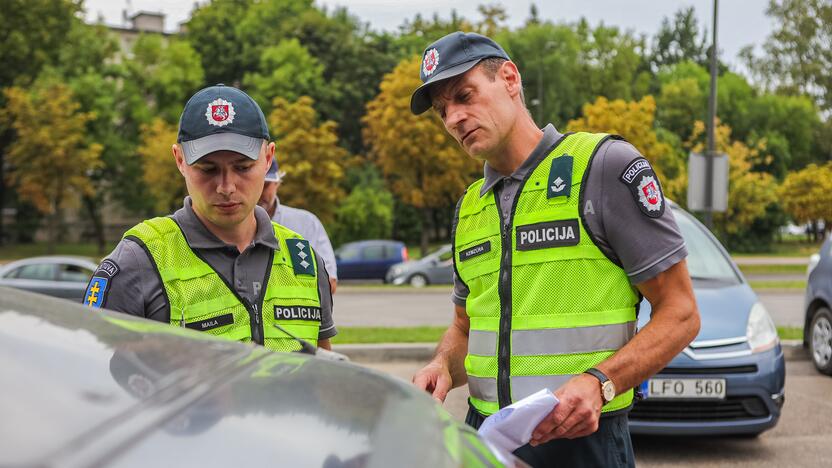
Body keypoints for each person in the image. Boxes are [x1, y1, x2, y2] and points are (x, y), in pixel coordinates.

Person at [409, 32, 700, 467]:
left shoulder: (602, 166)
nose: (454, 118)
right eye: (442, 110)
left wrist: (601, 382)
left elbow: (681, 313)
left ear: (509, 78)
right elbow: (465, 330)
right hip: (486, 442)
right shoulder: (470, 208)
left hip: (582, 445)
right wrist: (442, 367)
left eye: (464, 95)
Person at [83, 84, 336, 351]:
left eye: (243, 167)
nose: (226, 187)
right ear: (180, 160)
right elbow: (87, 376)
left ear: (268, 157)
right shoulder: (139, 260)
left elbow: (324, 379)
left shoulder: (303, 261)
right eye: (208, 169)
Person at [258, 160, 338, 293]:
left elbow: (329, 282)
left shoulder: (305, 223)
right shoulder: (227, 228)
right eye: (256, 184)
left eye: (265, 185)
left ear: (277, 183)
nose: (259, 192)